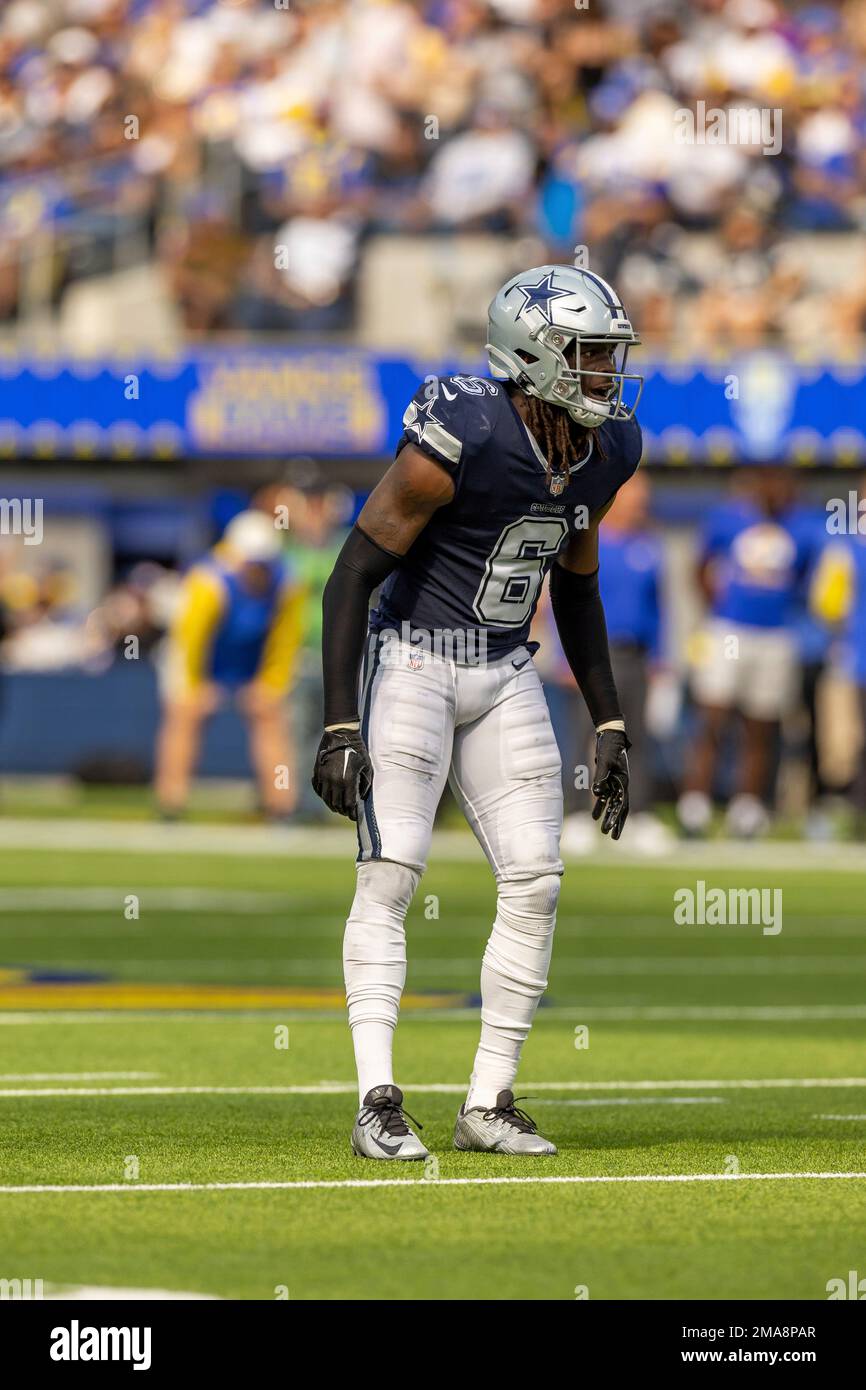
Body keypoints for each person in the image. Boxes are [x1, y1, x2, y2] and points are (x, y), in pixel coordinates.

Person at [311, 264, 643, 1160]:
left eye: (611, 356)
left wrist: (608, 721)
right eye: (590, 355)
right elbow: (354, 572)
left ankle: (487, 1101)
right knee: (391, 872)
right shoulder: (463, 430)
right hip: (414, 660)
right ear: (533, 354)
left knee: (537, 878)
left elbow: (577, 589)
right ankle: (376, 1100)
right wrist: (341, 719)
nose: (607, 374)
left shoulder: (605, 451)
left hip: (504, 669)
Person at [677, 469, 813, 839]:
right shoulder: (727, 518)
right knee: (712, 717)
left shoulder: (803, 527)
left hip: (775, 637)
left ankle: (747, 808)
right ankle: (695, 805)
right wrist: (715, 606)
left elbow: (806, 581)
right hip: (728, 631)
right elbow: (700, 567)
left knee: (761, 724)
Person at [155, 511, 304, 819]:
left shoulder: (287, 585)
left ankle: (281, 807)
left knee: (270, 717)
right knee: (184, 715)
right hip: (199, 661)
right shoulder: (208, 583)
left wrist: (271, 683)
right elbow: (189, 641)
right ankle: (171, 804)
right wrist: (194, 686)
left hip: (252, 660)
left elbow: (285, 638)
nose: (258, 569)